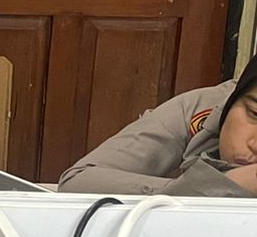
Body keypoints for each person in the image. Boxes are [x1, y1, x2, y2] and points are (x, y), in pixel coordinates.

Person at [59, 56, 257, 197]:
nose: (254, 144)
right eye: (254, 114)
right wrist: (206, 188)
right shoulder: (201, 108)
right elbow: (78, 181)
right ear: (233, 99)